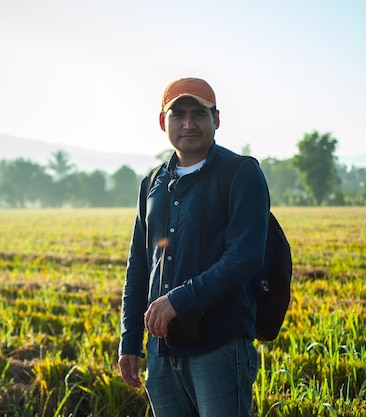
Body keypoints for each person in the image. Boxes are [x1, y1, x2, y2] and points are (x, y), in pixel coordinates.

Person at [118, 77, 270, 417]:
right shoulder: (152, 183)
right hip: (160, 351)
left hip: (220, 345)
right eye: (178, 114)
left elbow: (245, 256)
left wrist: (180, 300)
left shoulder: (241, 173)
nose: (188, 123)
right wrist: (129, 340)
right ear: (163, 122)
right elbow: (140, 266)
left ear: (216, 119)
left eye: (199, 114)